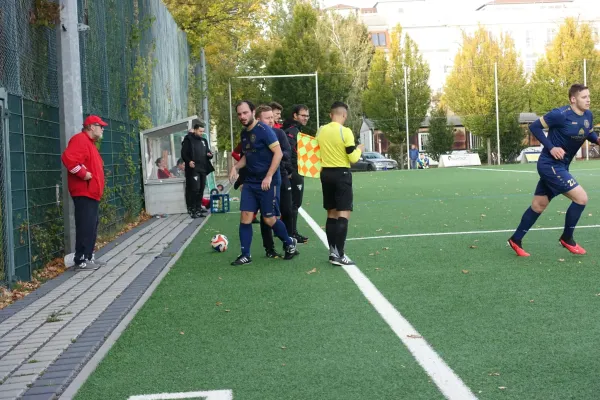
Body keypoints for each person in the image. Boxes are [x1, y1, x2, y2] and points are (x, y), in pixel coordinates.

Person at [508, 84, 598, 257]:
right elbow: (534, 126)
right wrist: (551, 147)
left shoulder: (588, 115)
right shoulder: (560, 114)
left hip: (562, 166)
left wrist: (597, 139)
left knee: (538, 205)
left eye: (589, 96)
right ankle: (567, 238)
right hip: (549, 165)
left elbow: (587, 132)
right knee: (581, 198)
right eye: (584, 97)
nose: (588, 100)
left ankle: (515, 239)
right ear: (573, 99)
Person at [229, 100, 299, 266]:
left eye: (245, 113)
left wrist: (268, 176)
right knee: (245, 216)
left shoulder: (265, 131)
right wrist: (236, 167)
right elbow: (248, 155)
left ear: (253, 112)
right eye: (239, 114)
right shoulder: (244, 133)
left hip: (268, 182)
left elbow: (278, 153)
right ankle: (245, 254)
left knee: (269, 219)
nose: (242, 117)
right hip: (251, 182)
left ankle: (289, 243)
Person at [316, 101, 364, 266]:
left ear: (331, 115)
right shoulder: (346, 132)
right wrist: (360, 149)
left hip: (325, 174)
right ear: (344, 115)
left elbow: (314, 151)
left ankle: (332, 252)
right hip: (341, 174)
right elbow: (353, 158)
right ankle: (340, 254)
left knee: (331, 213)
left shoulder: (321, 130)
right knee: (344, 213)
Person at [61, 115, 108, 271]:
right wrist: (83, 174)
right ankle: (81, 259)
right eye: (100, 126)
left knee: (91, 225)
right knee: (86, 225)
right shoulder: (80, 140)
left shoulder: (90, 143)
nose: (102, 129)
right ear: (91, 127)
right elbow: (68, 159)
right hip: (84, 191)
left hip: (91, 192)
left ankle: (88, 256)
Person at [255, 105, 293, 258]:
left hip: (280, 176)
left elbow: (287, 153)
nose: (271, 120)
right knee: (267, 215)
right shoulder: (252, 135)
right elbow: (244, 154)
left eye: (272, 117)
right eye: (267, 118)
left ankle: (289, 244)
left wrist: (276, 155)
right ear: (258, 119)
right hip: (262, 180)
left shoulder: (279, 133)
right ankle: (269, 248)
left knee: (287, 211)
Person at [283, 104, 310, 244]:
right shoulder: (292, 131)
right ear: (295, 115)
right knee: (294, 203)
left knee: (293, 204)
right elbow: (287, 152)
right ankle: (291, 234)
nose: (305, 118)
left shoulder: (296, 130)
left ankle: (291, 232)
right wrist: (290, 171)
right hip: (294, 172)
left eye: (307, 116)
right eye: (303, 115)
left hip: (297, 170)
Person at [181, 123, 214, 218]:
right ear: (195, 130)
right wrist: (189, 161)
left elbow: (208, 152)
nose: (202, 133)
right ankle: (192, 209)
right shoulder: (188, 140)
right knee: (194, 189)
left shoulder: (204, 140)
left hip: (203, 168)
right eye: (200, 131)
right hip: (193, 169)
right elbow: (183, 153)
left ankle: (198, 208)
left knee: (201, 189)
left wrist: (210, 155)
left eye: (203, 131)